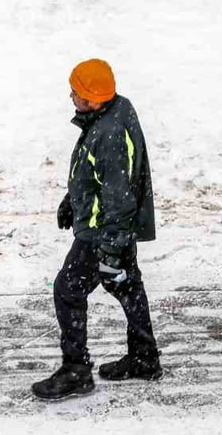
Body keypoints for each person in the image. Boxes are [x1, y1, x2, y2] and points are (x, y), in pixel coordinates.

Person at [31, 58, 160, 401]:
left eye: (75, 93)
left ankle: (76, 370)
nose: (70, 97)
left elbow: (118, 199)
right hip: (113, 228)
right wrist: (72, 200)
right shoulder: (115, 110)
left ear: (90, 99)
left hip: (103, 232)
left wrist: (110, 251)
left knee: (68, 290)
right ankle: (144, 357)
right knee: (127, 287)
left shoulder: (108, 135)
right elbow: (98, 177)